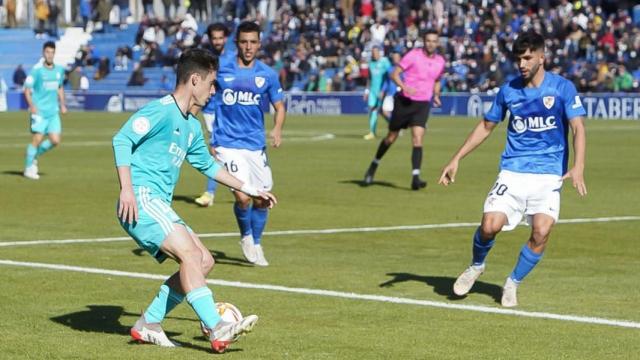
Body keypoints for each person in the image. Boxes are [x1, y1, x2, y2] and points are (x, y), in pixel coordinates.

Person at [112, 48, 276, 353]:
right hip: (142, 198)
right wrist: (127, 189)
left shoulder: (190, 124)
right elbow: (122, 139)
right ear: (195, 80)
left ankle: (149, 322)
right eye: (212, 84)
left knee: (203, 260)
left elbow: (210, 166)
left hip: (158, 203)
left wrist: (252, 189)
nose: (214, 91)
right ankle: (217, 325)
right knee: (189, 254)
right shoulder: (162, 109)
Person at [438, 30, 587, 307]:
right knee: (489, 226)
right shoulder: (508, 90)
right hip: (513, 171)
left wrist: (578, 166)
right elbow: (486, 126)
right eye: (519, 58)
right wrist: (456, 158)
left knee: (541, 232)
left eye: (528, 58)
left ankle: (512, 283)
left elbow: (578, 127)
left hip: (548, 174)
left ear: (542, 57)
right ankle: (476, 266)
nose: (522, 64)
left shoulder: (562, 88)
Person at [211, 21, 286, 266]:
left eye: (253, 42)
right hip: (227, 143)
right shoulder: (221, 69)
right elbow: (202, 92)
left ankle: (256, 242)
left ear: (259, 44)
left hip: (254, 145)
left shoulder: (267, 74)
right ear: (237, 43)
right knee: (243, 197)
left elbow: (279, 106)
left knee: (263, 199)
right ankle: (245, 237)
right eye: (244, 42)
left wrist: (276, 128)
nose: (248, 47)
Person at [363, 29, 445, 190]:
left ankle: (416, 178)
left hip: (422, 104)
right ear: (424, 41)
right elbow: (395, 74)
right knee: (391, 137)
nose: (431, 44)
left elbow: (437, 79)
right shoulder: (413, 55)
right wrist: (405, 87)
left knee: (417, 138)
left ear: (438, 43)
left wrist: (436, 94)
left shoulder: (440, 61)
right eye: (428, 40)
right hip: (404, 102)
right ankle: (373, 165)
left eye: (434, 41)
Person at [194, 22, 234, 207]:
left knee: (224, 151)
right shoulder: (205, 59)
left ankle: (227, 187)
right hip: (211, 112)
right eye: (214, 38)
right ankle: (212, 192)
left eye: (220, 38)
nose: (217, 41)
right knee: (217, 151)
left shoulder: (233, 59)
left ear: (225, 38)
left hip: (228, 111)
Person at [23, 41, 67, 180]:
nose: (49, 55)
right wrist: (32, 106)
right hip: (40, 112)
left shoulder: (59, 70)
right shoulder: (37, 71)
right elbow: (27, 90)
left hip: (53, 112)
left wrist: (63, 104)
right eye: (47, 52)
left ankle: (34, 155)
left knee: (55, 140)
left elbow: (59, 87)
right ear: (43, 53)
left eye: (52, 52)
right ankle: (28, 168)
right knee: (37, 139)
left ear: (54, 53)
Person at [363, 46, 392, 140]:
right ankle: (372, 132)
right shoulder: (371, 63)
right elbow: (369, 78)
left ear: (379, 53)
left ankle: (395, 126)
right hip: (373, 91)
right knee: (372, 109)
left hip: (382, 91)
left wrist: (386, 89)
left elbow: (390, 75)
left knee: (383, 112)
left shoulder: (385, 62)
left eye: (375, 52)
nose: (374, 54)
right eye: (372, 52)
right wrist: (366, 91)